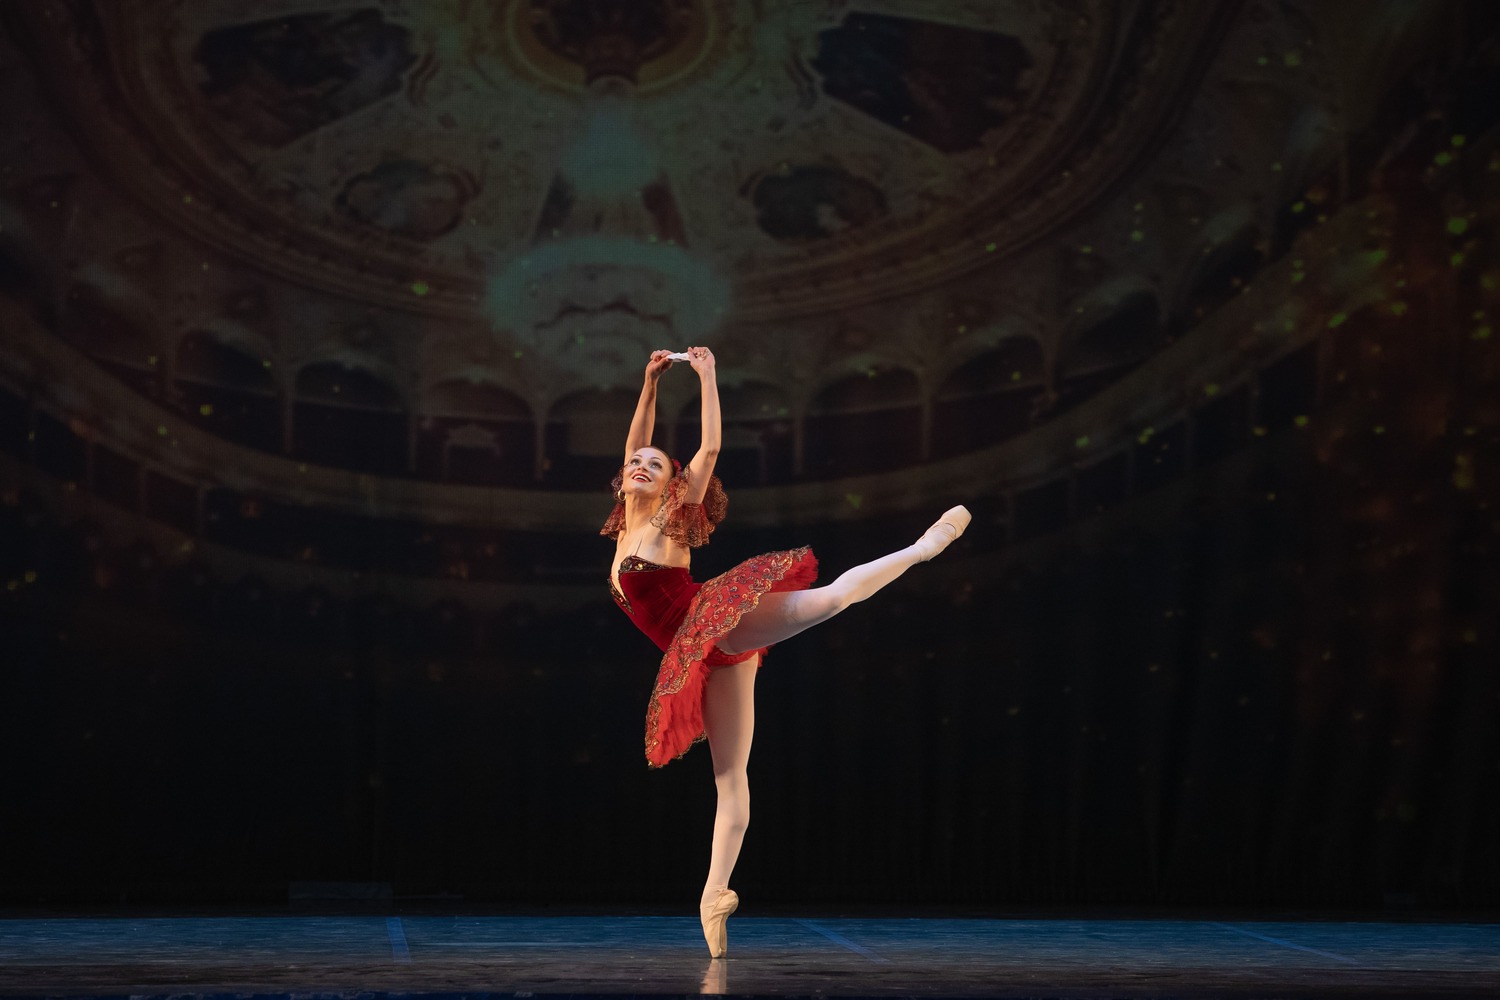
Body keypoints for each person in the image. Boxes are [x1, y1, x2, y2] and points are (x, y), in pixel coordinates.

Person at [601, 346, 969, 958]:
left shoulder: (670, 520)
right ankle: (713, 896)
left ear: (673, 485)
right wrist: (648, 383)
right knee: (730, 779)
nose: (641, 464)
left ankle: (921, 550)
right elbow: (635, 440)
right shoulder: (624, 526)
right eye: (635, 462)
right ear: (623, 475)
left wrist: (707, 375)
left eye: (655, 464)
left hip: (714, 621)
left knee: (831, 599)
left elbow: (709, 451)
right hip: (708, 657)